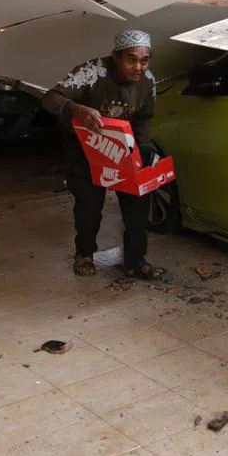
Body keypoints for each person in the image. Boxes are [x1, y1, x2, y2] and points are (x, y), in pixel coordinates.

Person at [42, 28, 167, 279]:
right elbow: (50, 98)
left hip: (123, 149)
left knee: (136, 207)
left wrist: (142, 152)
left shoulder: (148, 81)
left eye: (145, 60)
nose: (139, 67)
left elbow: (144, 118)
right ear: (116, 57)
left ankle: (135, 261)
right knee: (89, 206)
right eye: (131, 59)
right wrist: (77, 109)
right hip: (85, 151)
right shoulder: (92, 72)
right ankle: (85, 255)